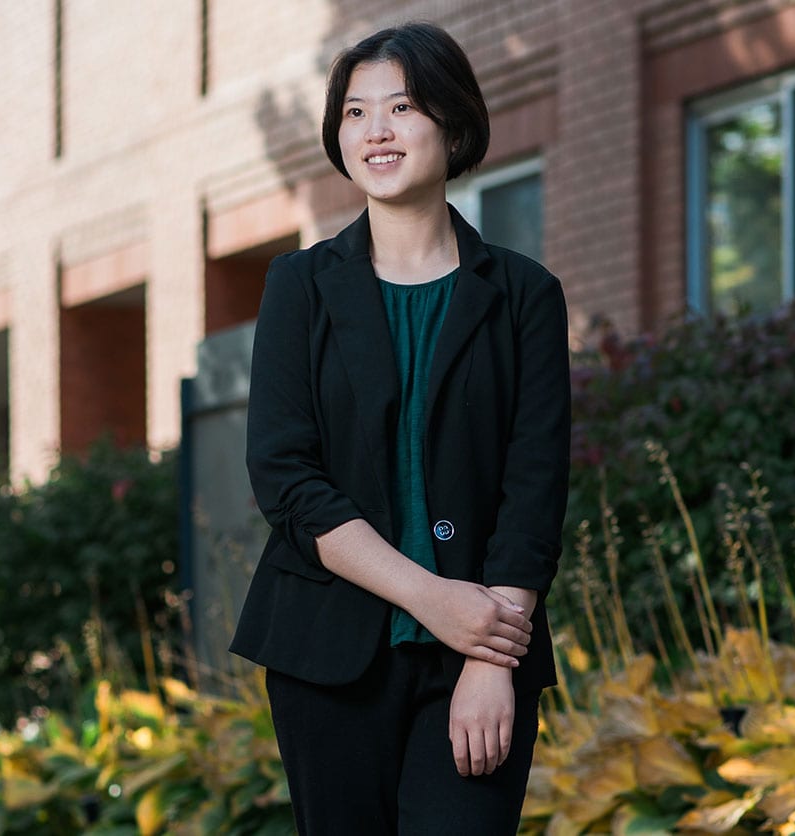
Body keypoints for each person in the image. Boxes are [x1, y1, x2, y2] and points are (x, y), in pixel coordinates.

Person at [230, 21, 570, 835]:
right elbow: (286, 478)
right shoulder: (300, 286)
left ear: (452, 125)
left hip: (481, 660)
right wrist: (431, 598)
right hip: (327, 659)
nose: (375, 131)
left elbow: (535, 488)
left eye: (402, 107)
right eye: (354, 112)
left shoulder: (524, 295)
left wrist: (489, 655)